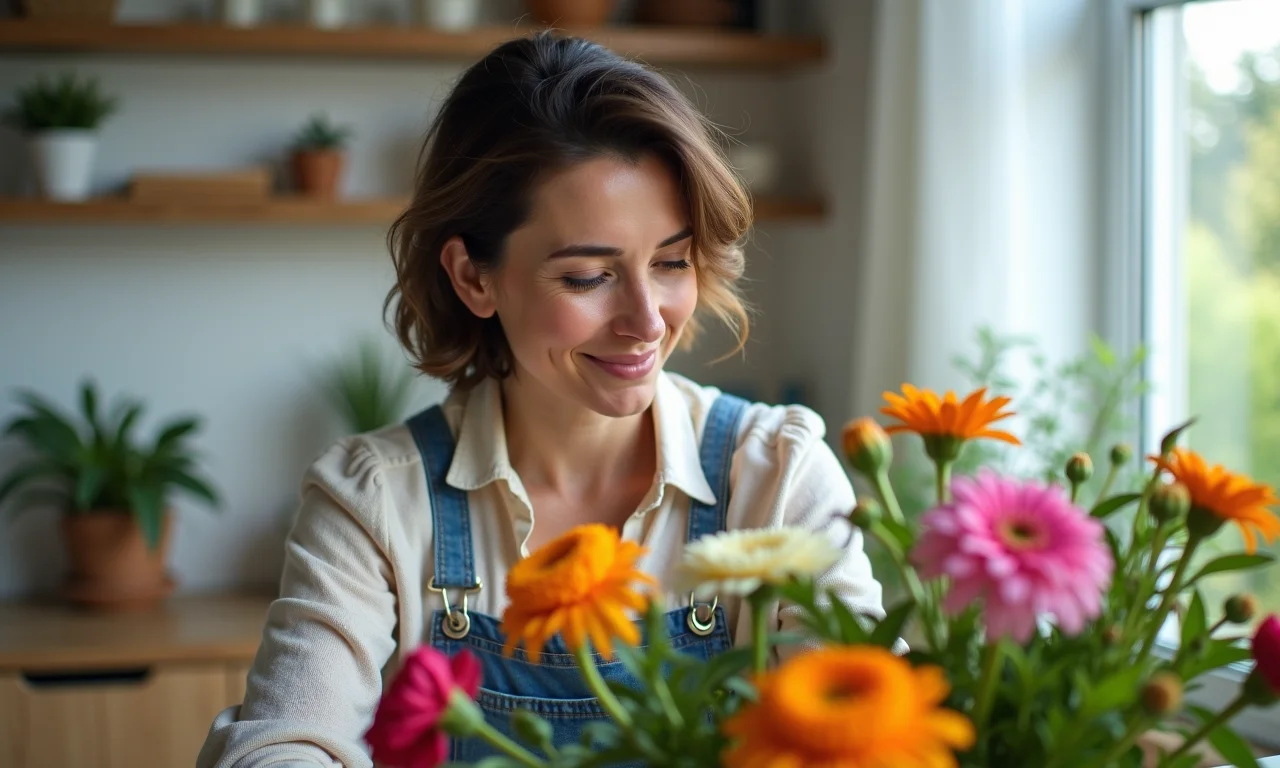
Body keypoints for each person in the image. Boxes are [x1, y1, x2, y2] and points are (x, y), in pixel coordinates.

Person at [197, 30, 887, 768]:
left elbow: (872, 732)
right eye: (588, 277)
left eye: (672, 262)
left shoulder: (777, 475)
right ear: (473, 278)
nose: (648, 321)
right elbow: (281, 747)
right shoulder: (372, 503)